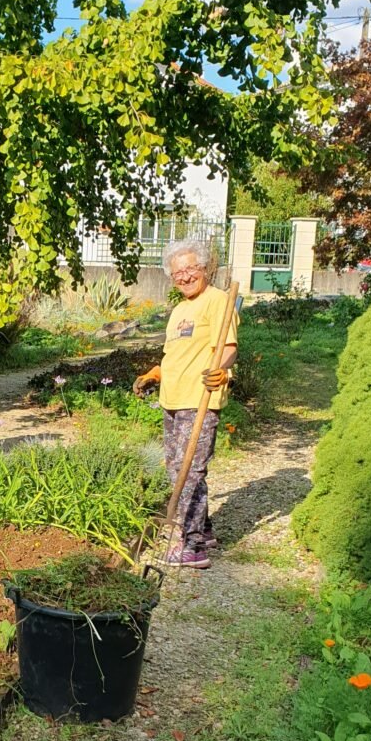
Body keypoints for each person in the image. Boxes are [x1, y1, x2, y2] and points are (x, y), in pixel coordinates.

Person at [133, 240, 238, 569]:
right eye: (178, 272)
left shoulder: (217, 301)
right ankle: (203, 530)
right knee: (176, 467)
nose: (185, 276)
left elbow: (228, 347)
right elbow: (177, 354)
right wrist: (156, 373)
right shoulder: (180, 310)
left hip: (199, 398)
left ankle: (192, 546)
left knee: (189, 471)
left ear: (204, 269)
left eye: (191, 268)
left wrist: (222, 369)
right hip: (172, 399)